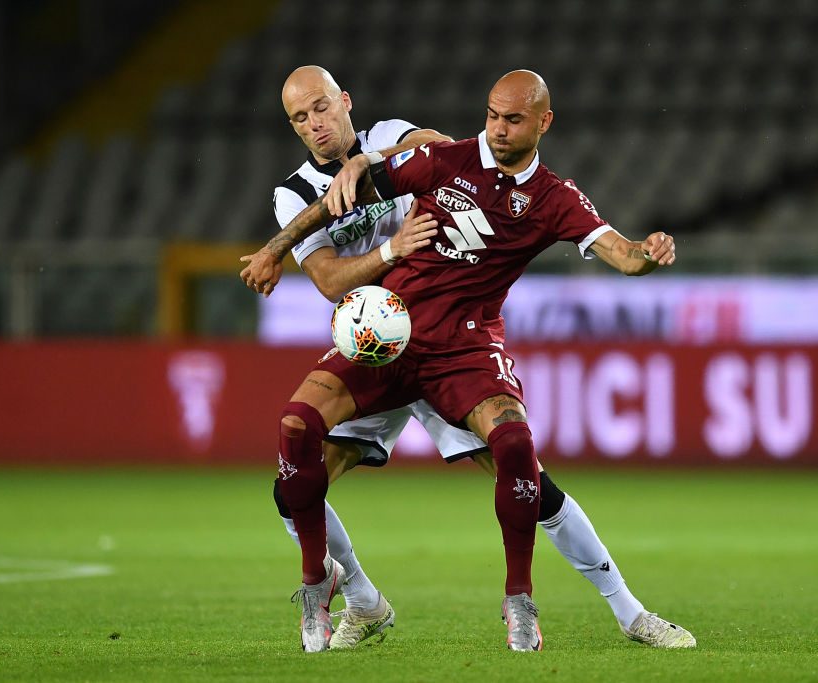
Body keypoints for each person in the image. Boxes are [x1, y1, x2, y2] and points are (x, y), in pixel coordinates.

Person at [241, 67, 694, 652]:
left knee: (529, 477)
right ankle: (359, 599)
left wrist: (368, 161)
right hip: (380, 340)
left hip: (458, 349)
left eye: (322, 108)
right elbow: (328, 280)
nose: (315, 124)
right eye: (300, 118)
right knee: (293, 485)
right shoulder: (292, 192)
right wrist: (376, 246)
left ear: (345, 101)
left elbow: (430, 147)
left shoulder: (410, 141)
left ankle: (630, 613)